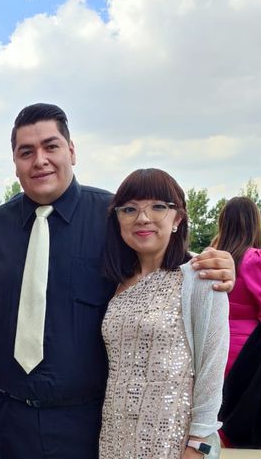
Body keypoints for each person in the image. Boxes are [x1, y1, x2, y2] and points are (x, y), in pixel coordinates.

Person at [0, 103, 235, 458]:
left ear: (72, 151)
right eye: (26, 152)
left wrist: (215, 261)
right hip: (6, 418)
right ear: (14, 162)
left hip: (89, 424)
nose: (39, 160)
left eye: (51, 146)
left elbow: (161, 263)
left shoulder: (112, 217)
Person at [99, 168, 228, 458]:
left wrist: (198, 445)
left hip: (172, 439)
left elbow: (212, 367)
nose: (142, 218)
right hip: (115, 434)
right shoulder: (116, 282)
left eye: (158, 206)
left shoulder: (200, 277)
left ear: (178, 218)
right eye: (129, 209)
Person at [212, 197, 261, 448]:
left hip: (215, 346)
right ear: (254, 223)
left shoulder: (210, 258)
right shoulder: (254, 258)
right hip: (248, 353)